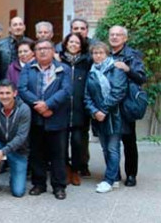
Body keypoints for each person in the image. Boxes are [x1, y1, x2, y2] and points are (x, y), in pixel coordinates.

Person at [19, 39, 72, 200]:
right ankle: (39, 184)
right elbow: (22, 89)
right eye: (39, 49)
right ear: (34, 52)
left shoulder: (64, 68)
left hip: (56, 117)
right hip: (36, 118)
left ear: (52, 51)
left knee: (58, 153)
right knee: (37, 153)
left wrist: (48, 105)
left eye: (46, 48)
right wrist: (39, 106)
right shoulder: (29, 68)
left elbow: (66, 90)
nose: (42, 51)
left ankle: (59, 186)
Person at [84, 41, 128, 193]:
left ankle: (108, 180)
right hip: (98, 118)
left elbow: (118, 92)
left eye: (101, 53)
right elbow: (86, 96)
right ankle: (114, 177)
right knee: (104, 148)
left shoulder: (115, 68)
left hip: (114, 116)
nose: (97, 56)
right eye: (95, 53)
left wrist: (103, 110)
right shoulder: (91, 72)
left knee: (113, 148)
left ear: (106, 54)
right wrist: (95, 111)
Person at [109, 25, 147, 187]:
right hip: (110, 104)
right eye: (112, 35)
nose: (115, 37)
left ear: (125, 38)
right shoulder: (105, 54)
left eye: (118, 35)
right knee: (111, 142)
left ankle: (131, 174)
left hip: (126, 104)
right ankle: (114, 173)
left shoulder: (133, 56)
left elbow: (141, 78)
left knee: (129, 141)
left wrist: (127, 69)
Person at [58, 33, 91, 185]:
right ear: (65, 44)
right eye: (71, 42)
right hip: (62, 110)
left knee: (78, 143)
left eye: (77, 42)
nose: (73, 45)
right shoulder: (58, 61)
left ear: (81, 45)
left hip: (80, 110)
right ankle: (66, 169)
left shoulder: (87, 62)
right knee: (62, 144)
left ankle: (76, 169)